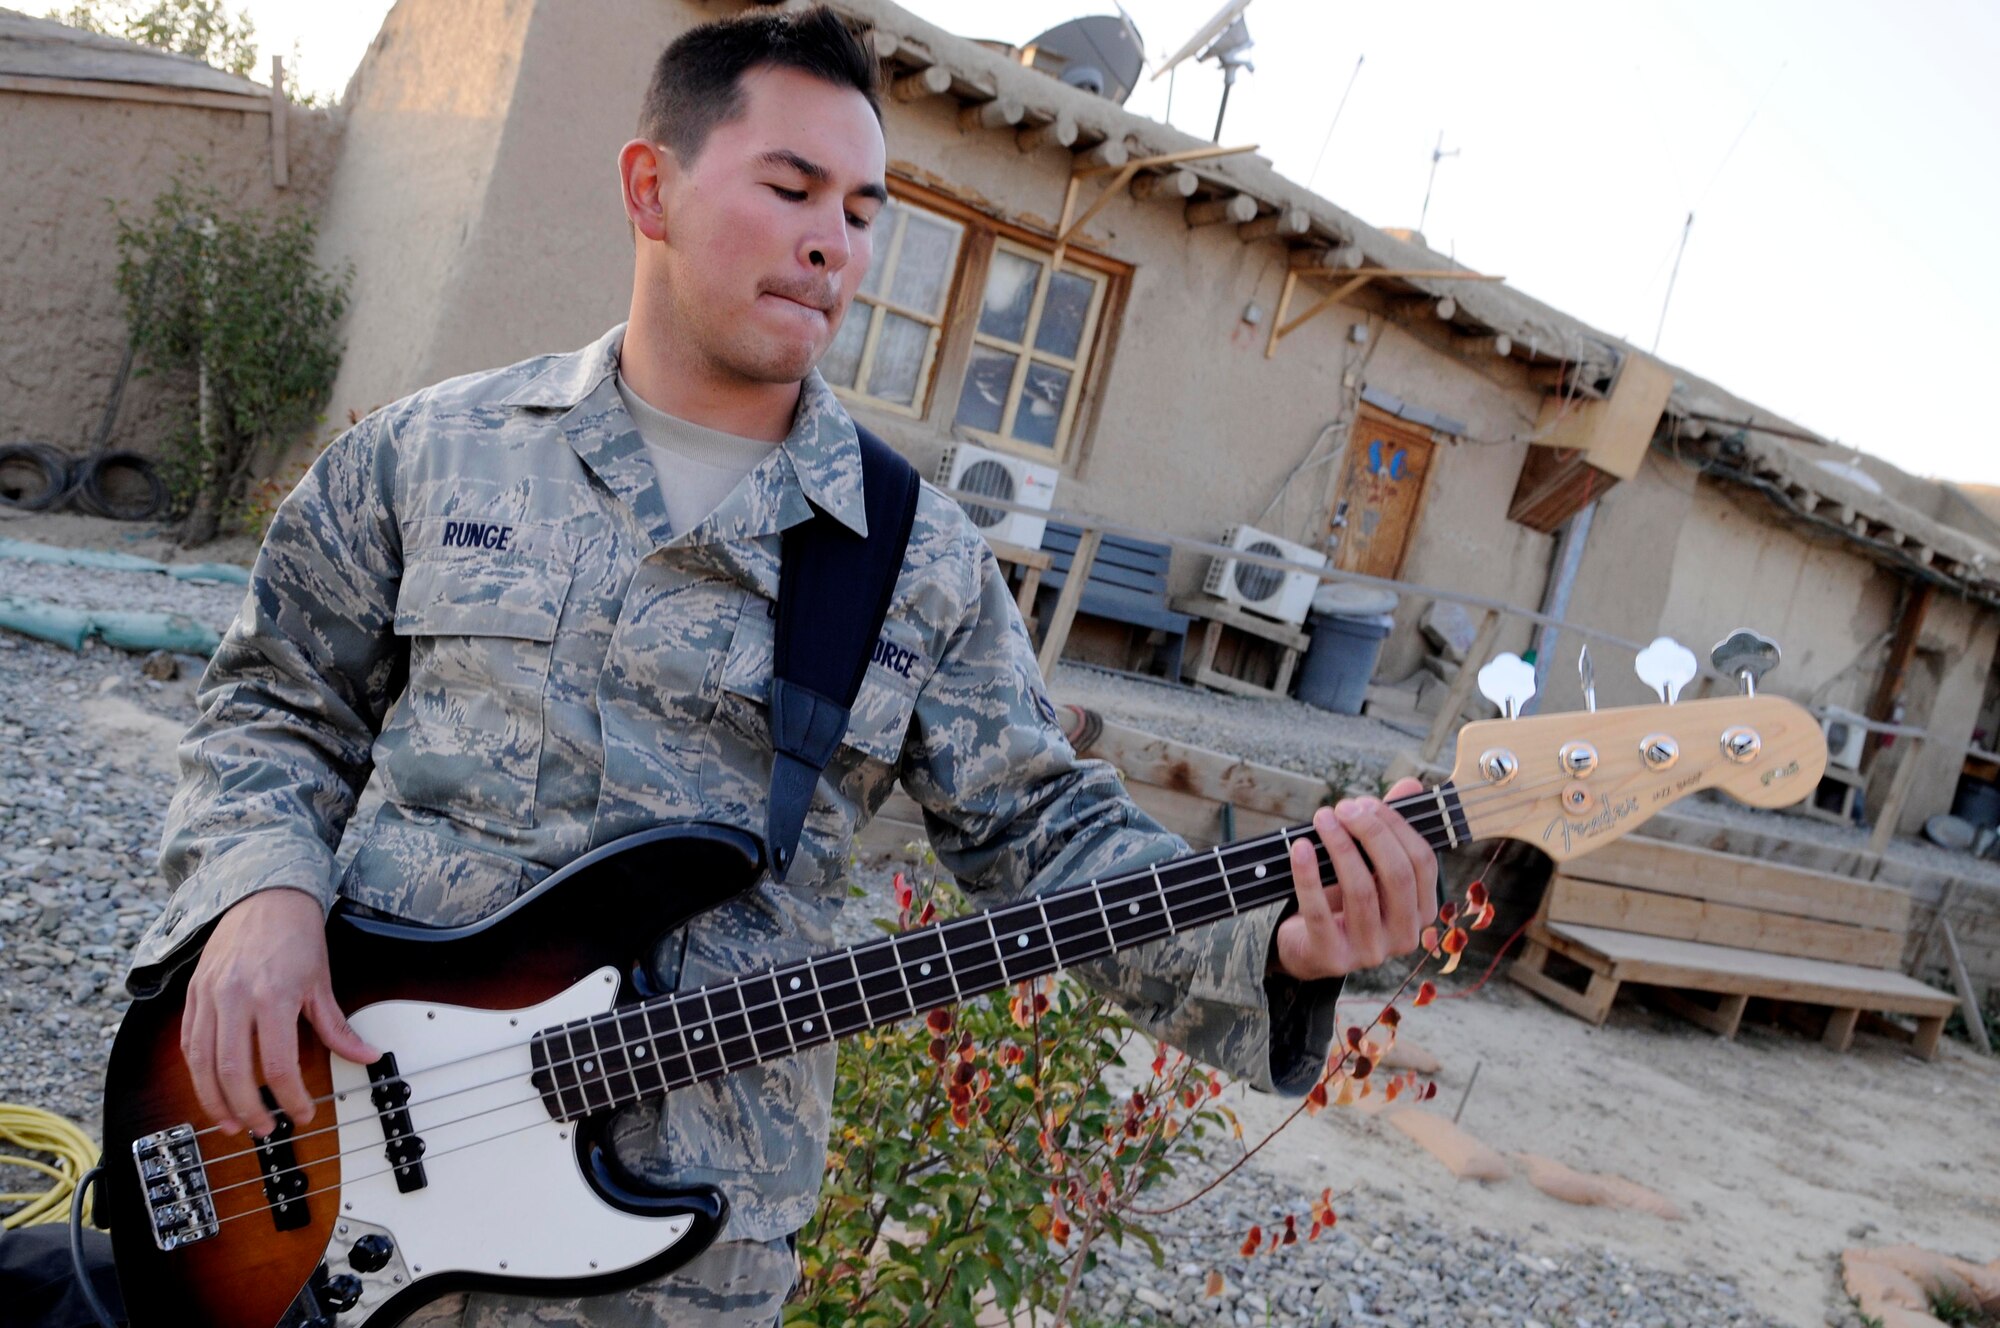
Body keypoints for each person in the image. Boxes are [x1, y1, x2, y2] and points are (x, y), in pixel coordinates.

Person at [125, 9, 1439, 1325]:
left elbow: (1048, 832)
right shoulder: (434, 452)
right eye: (793, 188)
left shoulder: (915, 556)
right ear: (653, 187)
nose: (838, 243)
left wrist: (1278, 938)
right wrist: (258, 894)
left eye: (867, 212)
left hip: (684, 1263)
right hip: (322, 1145)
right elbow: (274, 696)